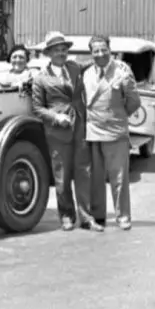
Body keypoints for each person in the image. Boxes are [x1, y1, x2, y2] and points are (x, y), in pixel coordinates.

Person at [31, 31, 96, 231]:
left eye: (64, 49)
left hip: (80, 125)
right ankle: (67, 216)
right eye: (56, 50)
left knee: (84, 172)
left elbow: (96, 64)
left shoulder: (75, 68)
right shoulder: (41, 79)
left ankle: (86, 217)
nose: (61, 53)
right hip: (58, 130)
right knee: (62, 174)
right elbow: (37, 108)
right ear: (48, 53)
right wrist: (55, 116)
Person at [81, 34, 141, 230]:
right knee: (96, 178)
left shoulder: (122, 71)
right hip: (93, 132)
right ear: (90, 53)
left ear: (110, 50)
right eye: (95, 51)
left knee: (119, 178)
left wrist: (118, 117)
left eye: (103, 50)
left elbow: (133, 101)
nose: (100, 54)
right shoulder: (87, 73)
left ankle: (122, 217)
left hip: (115, 132)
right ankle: (99, 216)